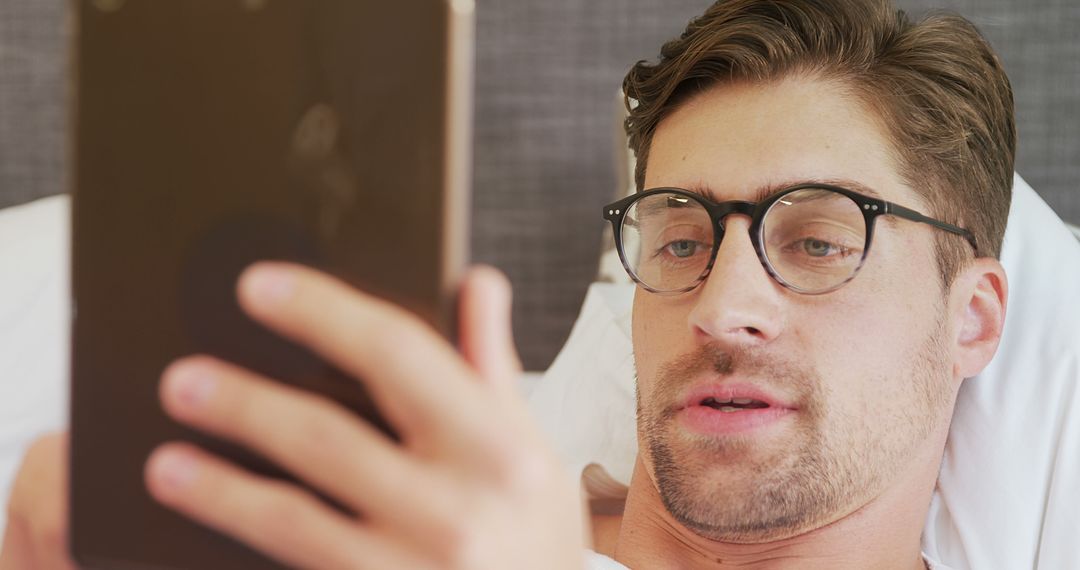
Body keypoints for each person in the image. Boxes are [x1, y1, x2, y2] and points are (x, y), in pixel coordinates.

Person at [1, 0, 1014, 568]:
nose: (720, 308)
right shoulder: (364, 513)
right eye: (679, 240)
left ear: (971, 320)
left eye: (819, 242)